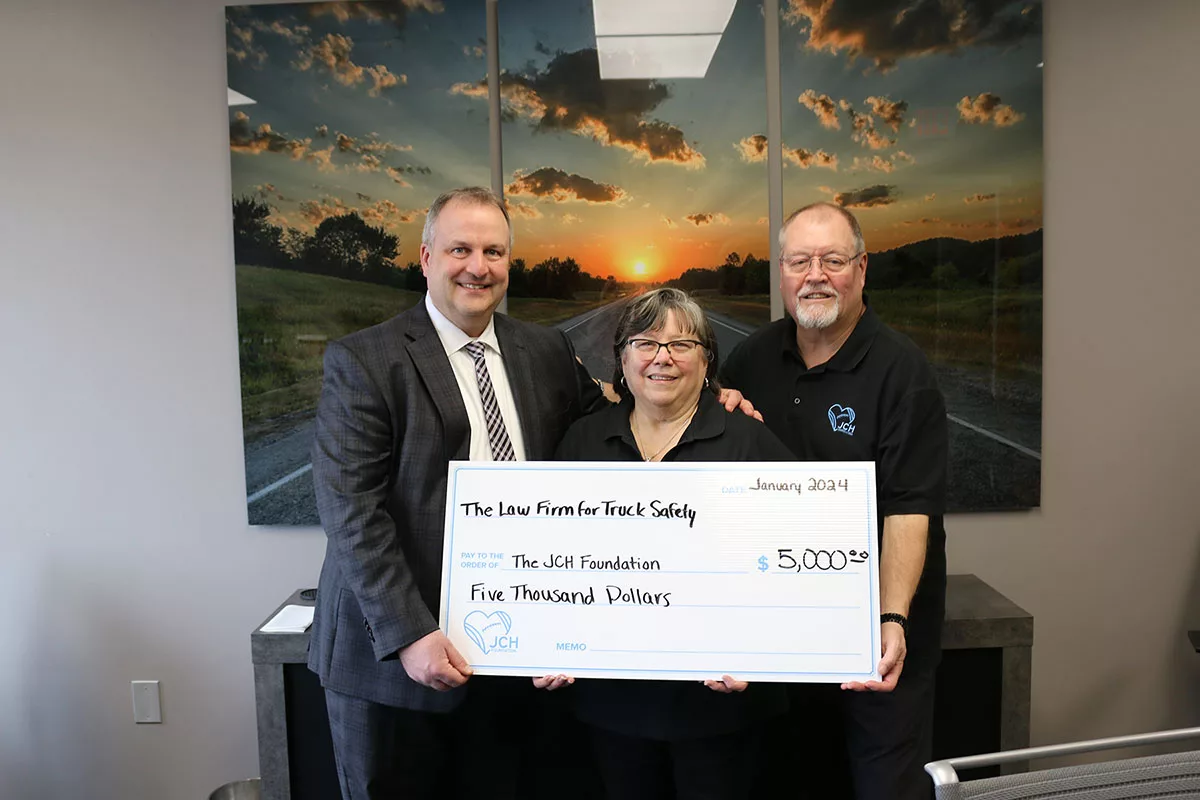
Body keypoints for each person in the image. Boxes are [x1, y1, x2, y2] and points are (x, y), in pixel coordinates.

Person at [307, 188, 758, 800]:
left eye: (494, 251)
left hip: (513, 655)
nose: (478, 266)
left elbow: (625, 419)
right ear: (426, 257)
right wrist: (411, 634)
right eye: (460, 249)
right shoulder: (364, 359)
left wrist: (713, 401)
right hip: (394, 661)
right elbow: (351, 513)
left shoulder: (543, 351)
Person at [720, 202, 949, 800]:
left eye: (832, 260)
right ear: (782, 271)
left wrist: (890, 616)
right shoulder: (750, 360)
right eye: (799, 260)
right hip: (778, 630)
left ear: (862, 269)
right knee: (791, 779)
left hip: (873, 640)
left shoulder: (904, 372)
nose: (815, 274)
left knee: (883, 787)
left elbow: (908, 508)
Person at [543, 288, 794, 800]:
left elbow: (796, 568)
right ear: (622, 357)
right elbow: (550, 560)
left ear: (707, 360)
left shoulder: (751, 444)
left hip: (721, 709)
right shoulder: (581, 443)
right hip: (610, 707)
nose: (662, 357)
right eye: (645, 342)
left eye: (682, 344)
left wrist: (761, 655)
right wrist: (543, 640)